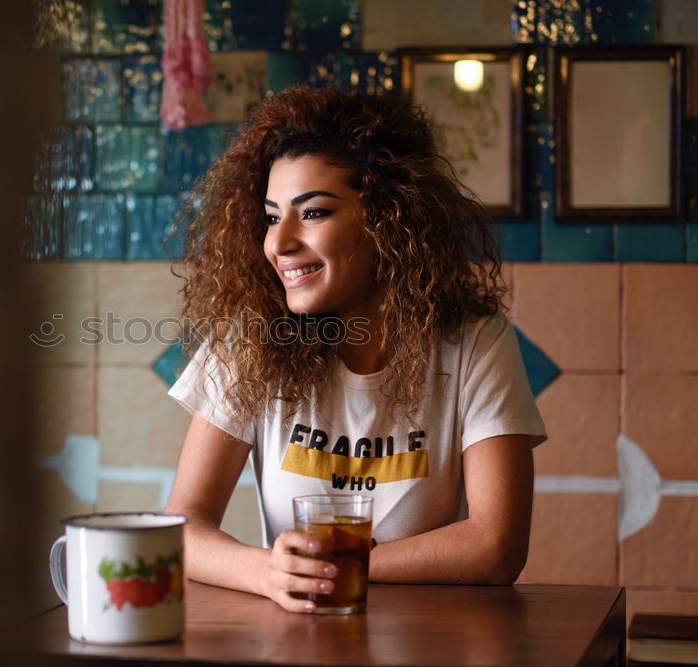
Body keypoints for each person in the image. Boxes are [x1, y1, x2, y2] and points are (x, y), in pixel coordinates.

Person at [164, 85, 547, 613]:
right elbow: (183, 529)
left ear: (390, 220)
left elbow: (497, 547)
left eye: (314, 213)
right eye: (272, 216)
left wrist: (340, 567)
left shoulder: (476, 344)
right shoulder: (249, 342)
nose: (278, 243)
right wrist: (268, 572)